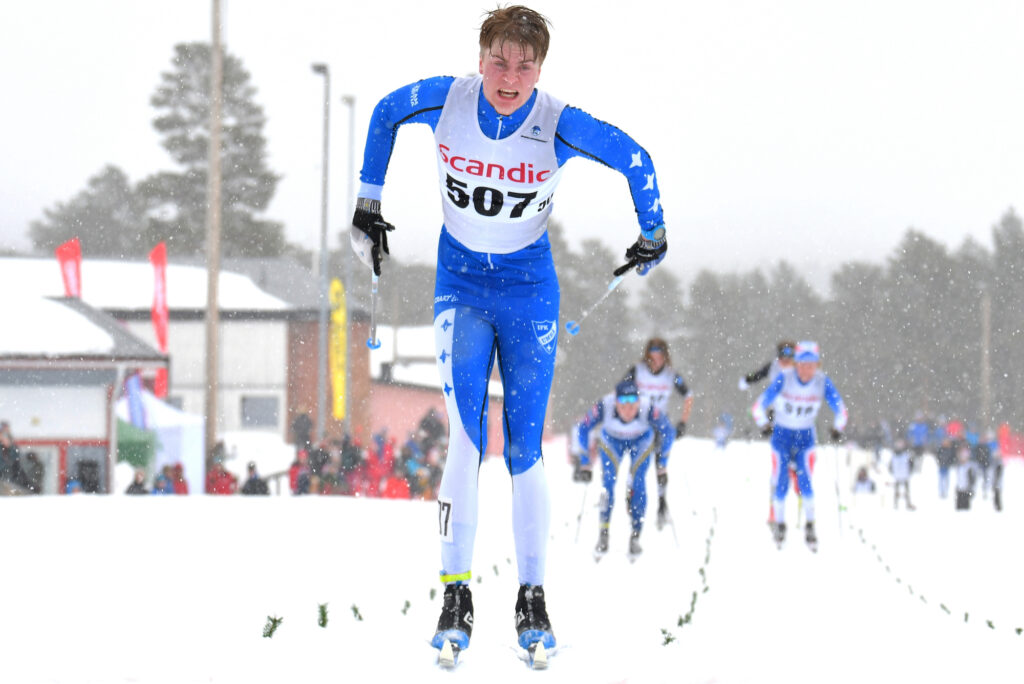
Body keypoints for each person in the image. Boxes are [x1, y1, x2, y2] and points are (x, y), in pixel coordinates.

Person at [350, 6, 669, 659]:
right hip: (461, 287)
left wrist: (652, 230)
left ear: (540, 69)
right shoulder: (450, 99)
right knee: (466, 441)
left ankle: (532, 600)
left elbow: (634, 156)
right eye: (499, 59)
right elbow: (385, 110)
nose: (510, 75)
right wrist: (367, 201)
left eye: (525, 64)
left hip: (529, 293)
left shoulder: (556, 121)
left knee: (525, 450)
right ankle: (455, 597)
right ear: (481, 57)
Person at [752, 341, 848, 551]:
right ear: (795, 364)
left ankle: (810, 526)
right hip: (782, 436)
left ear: (817, 365)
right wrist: (764, 426)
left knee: (805, 482)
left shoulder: (822, 382)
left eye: (811, 365)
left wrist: (837, 428)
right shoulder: (784, 379)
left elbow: (841, 409)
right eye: (802, 365)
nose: (806, 370)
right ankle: (780, 525)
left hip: (805, 438)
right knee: (781, 483)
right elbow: (758, 406)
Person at [572, 379, 674, 561]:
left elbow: (668, 430)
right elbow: (583, 427)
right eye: (623, 406)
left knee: (639, 482)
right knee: (608, 484)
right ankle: (603, 533)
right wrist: (585, 461)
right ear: (616, 402)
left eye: (632, 406)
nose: (628, 411)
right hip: (611, 440)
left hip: (641, 440)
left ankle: (635, 535)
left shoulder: (648, 407)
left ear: (638, 402)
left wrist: (662, 464)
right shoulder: (605, 405)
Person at [620, 338, 692, 530]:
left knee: (661, 464)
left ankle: (661, 503)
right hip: (640, 422)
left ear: (665, 357)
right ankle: (630, 495)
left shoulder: (671, 375)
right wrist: (625, 413)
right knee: (637, 461)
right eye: (652, 358)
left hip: (660, 423)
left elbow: (688, 395)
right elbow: (620, 391)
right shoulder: (637, 371)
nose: (656, 361)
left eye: (659, 357)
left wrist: (683, 421)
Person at [889, 438, 915, 510]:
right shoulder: (904, 455)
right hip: (901, 475)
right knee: (900, 491)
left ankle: (902, 504)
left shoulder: (905, 455)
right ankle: (898, 504)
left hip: (902, 475)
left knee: (903, 491)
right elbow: (911, 464)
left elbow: (911, 464)